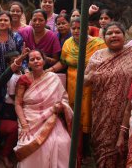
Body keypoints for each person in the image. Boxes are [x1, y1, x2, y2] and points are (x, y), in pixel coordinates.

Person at [84, 22, 132, 168]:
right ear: (104, 37)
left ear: (124, 35)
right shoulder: (97, 56)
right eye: (109, 33)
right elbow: (84, 82)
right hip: (103, 114)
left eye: (117, 32)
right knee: (104, 151)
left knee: (126, 149)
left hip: (129, 111)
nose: (113, 36)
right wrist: (90, 77)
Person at [48, 18, 106, 165]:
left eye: (79, 28)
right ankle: (77, 150)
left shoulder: (98, 44)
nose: (76, 31)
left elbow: (105, 65)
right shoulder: (68, 43)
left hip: (91, 85)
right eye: (73, 28)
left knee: (88, 115)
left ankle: (87, 150)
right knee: (75, 114)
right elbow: (63, 62)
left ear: (87, 28)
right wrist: (49, 70)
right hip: (72, 84)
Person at [13, 50, 73, 168]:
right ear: (28, 64)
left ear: (44, 61)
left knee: (63, 142)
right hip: (30, 118)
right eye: (32, 59)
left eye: (38, 58)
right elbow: (18, 104)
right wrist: (24, 125)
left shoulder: (53, 78)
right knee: (33, 145)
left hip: (52, 116)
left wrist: (60, 107)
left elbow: (63, 99)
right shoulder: (24, 80)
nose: (36, 61)